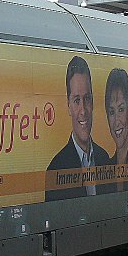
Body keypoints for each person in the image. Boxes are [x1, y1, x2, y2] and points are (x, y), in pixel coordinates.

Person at [47, 56, 109, 200]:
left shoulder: (104, 158)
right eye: (76, 100)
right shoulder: (56, 168)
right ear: (68, 106)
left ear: (92, 102)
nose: (83, 111)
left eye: (87, 99)